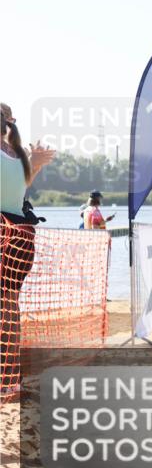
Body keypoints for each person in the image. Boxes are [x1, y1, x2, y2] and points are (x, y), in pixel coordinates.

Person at [1, 103, 55, 394]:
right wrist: (36, 162)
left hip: (3, 233)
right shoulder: (20, 158)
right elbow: (20, 190)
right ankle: (10, 380)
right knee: (9, 307)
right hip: (22, 234)